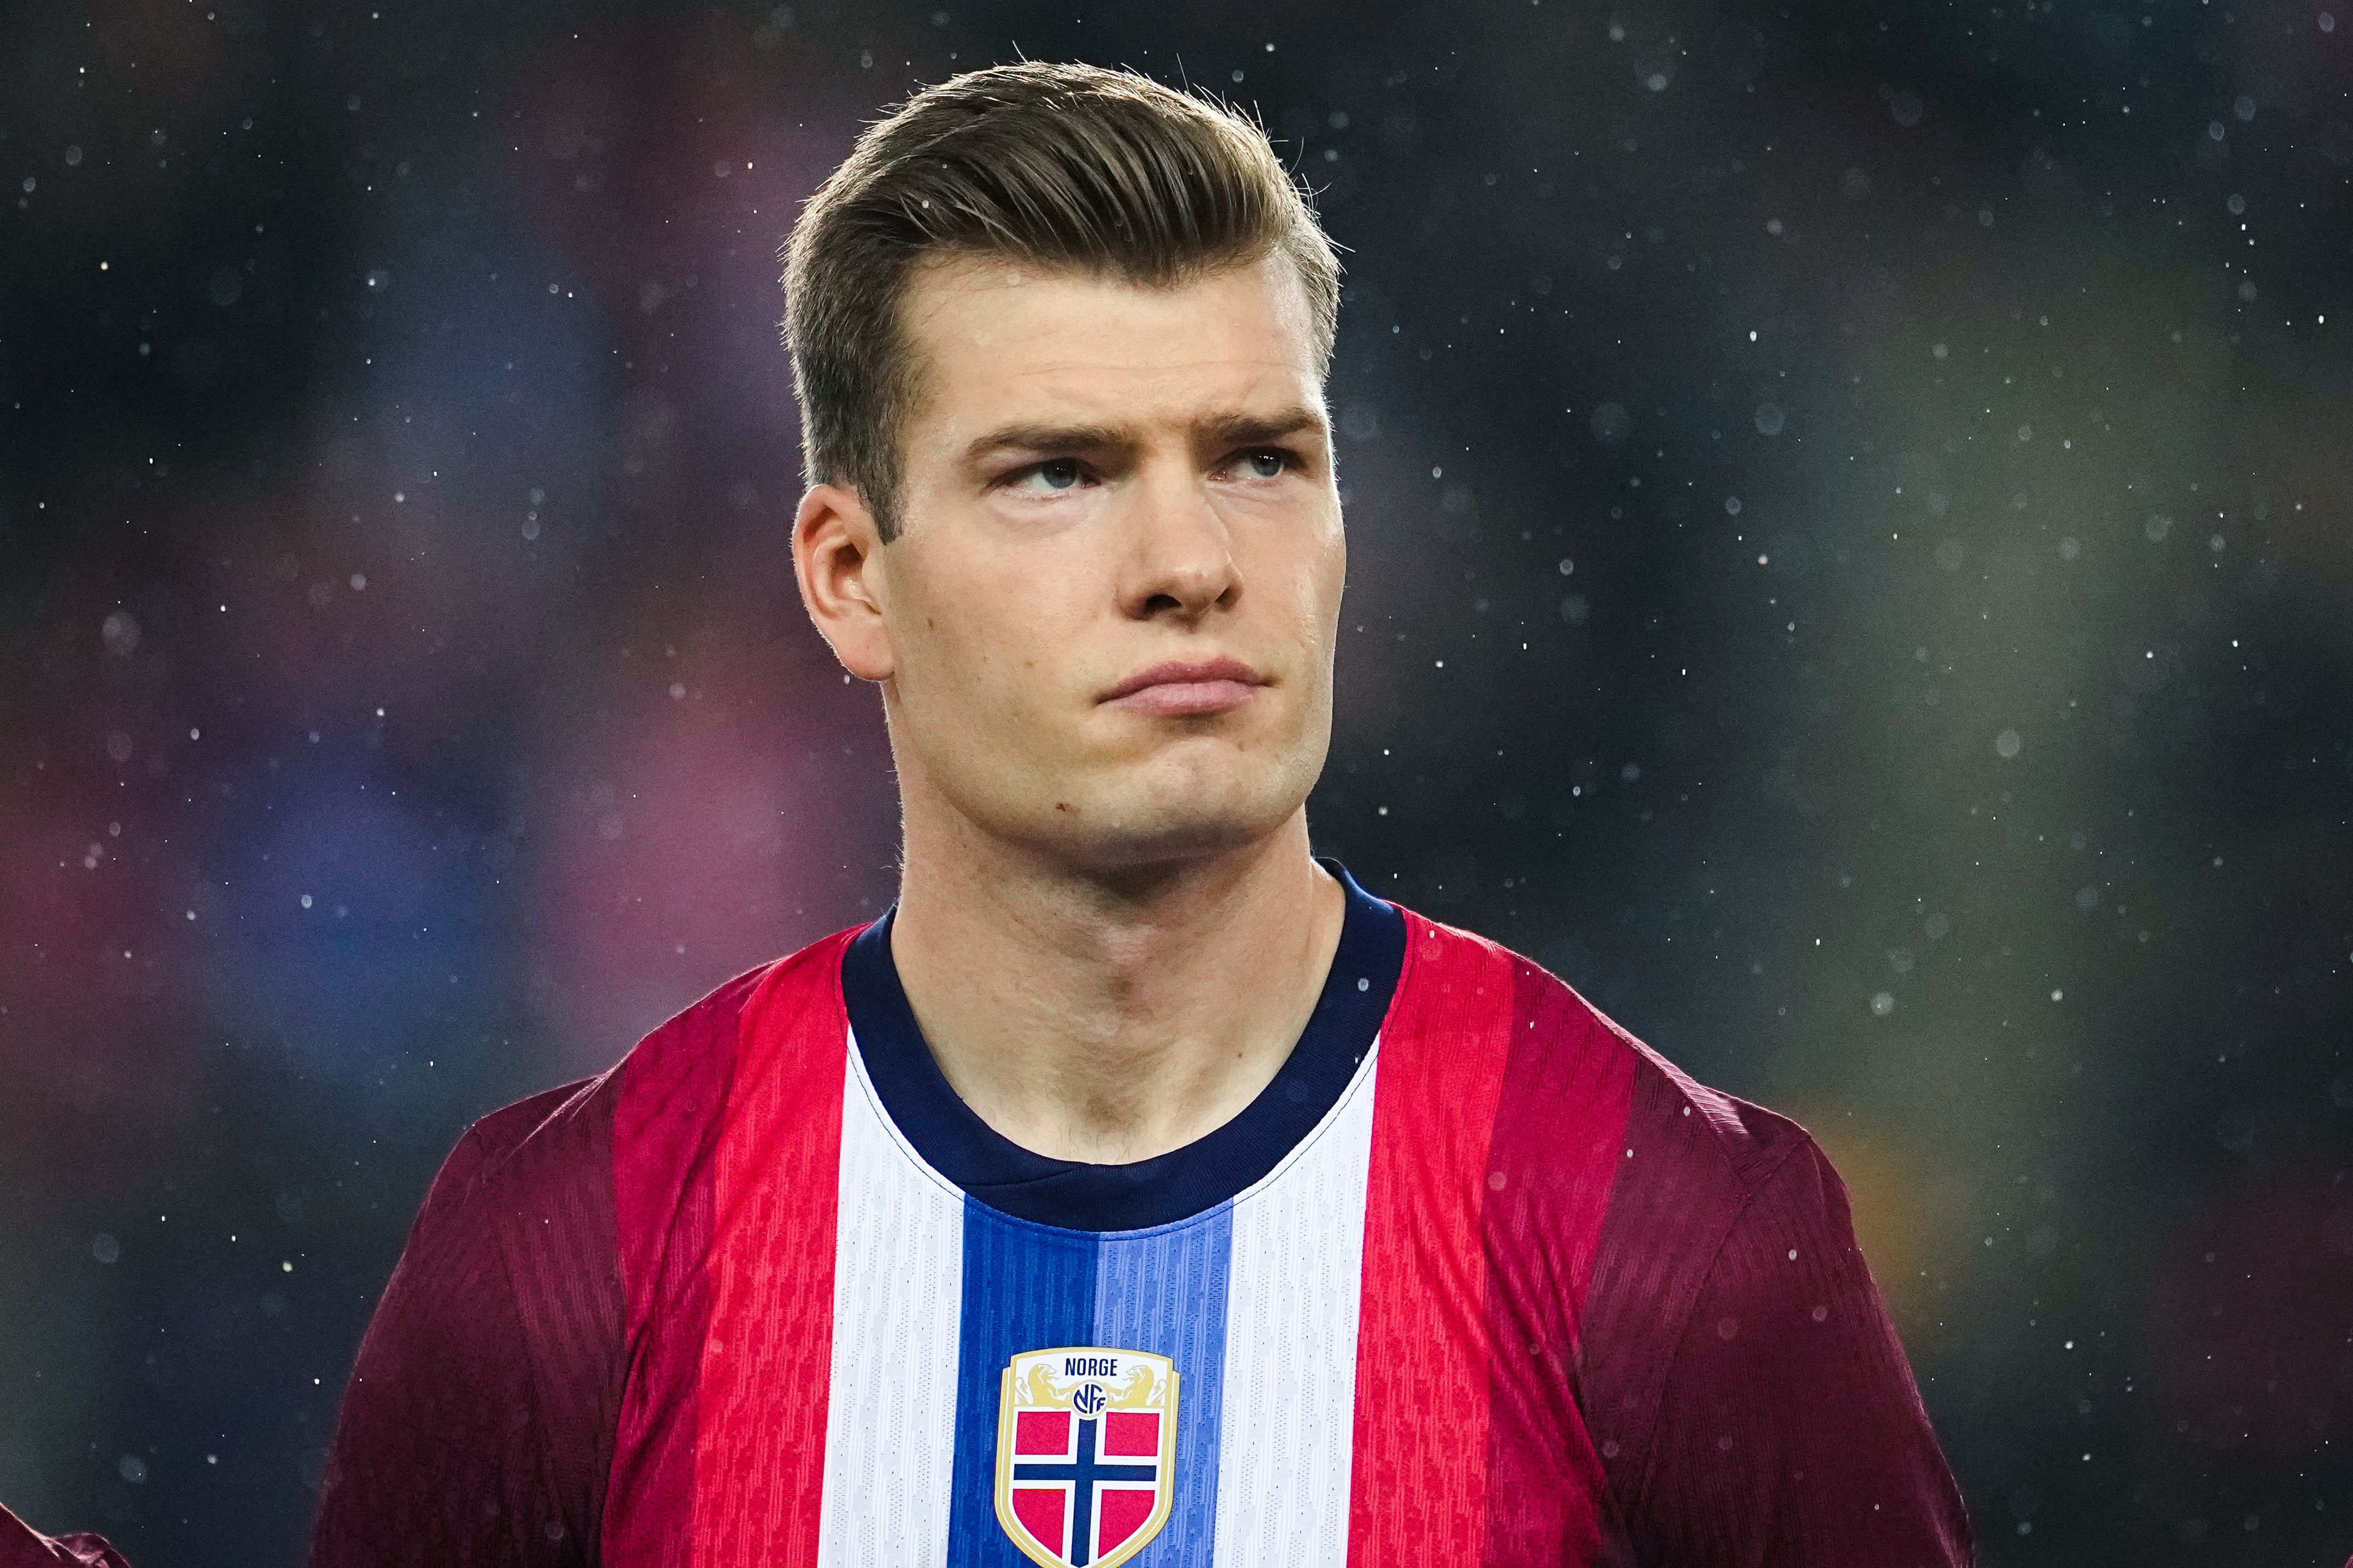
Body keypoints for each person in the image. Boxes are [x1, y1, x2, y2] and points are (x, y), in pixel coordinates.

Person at [4, 61, 1974, 1568]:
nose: (1191, 560)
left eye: (1261, 458)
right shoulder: (574, 1254)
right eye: (1059, 473)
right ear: (849, 576)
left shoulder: (1674, 1238)